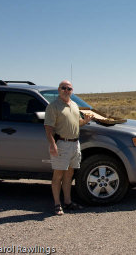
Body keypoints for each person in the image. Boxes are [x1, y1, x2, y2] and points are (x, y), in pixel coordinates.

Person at [44, 80, 93, 215]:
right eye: (64, 88)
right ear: (59, 90)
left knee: (69, 175)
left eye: (69, 88)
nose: (67, 90)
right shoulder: (53, 107)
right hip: (62, 144)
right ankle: (57, 204)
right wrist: (53, 145)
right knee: (58, 175)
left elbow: (78, 123)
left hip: (75, 144)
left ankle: (68, 202)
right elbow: (48, 128)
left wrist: (86, 121)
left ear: (72, 91)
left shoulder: (75, 105)